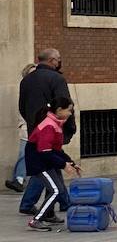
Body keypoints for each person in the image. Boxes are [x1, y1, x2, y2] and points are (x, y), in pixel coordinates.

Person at [18, 49, 76, 216]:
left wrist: (32, 122)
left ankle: (63, 201)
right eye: (58, 60)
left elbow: (22, 106)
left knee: (48, 164)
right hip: (53, 128)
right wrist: (69, 127)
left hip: (34, 128)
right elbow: (65, 105)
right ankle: (32, 203)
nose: (59, 63)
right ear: (52, 61)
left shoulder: (26, 80)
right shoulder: (57, 79)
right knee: (46, 163)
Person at [24, 95, 80, 231]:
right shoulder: (49, 125)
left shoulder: (55, 124)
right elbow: (44, 151)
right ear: (59, 110)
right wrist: (63, 165)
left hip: (46, 161)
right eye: (69, 110)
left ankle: (48, 214)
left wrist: (70, 162)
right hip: (39, 163)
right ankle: (36, 220)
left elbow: (56, 149)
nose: (70, 113)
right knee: (55, 190)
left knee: (58, 189)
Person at [6, 62, 37, 193]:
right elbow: (22, 107)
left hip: (40, 126)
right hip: (27, 125)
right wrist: (22, 124)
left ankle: (25, 180)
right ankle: (19, 179)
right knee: (23, 153)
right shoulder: (25, 88)